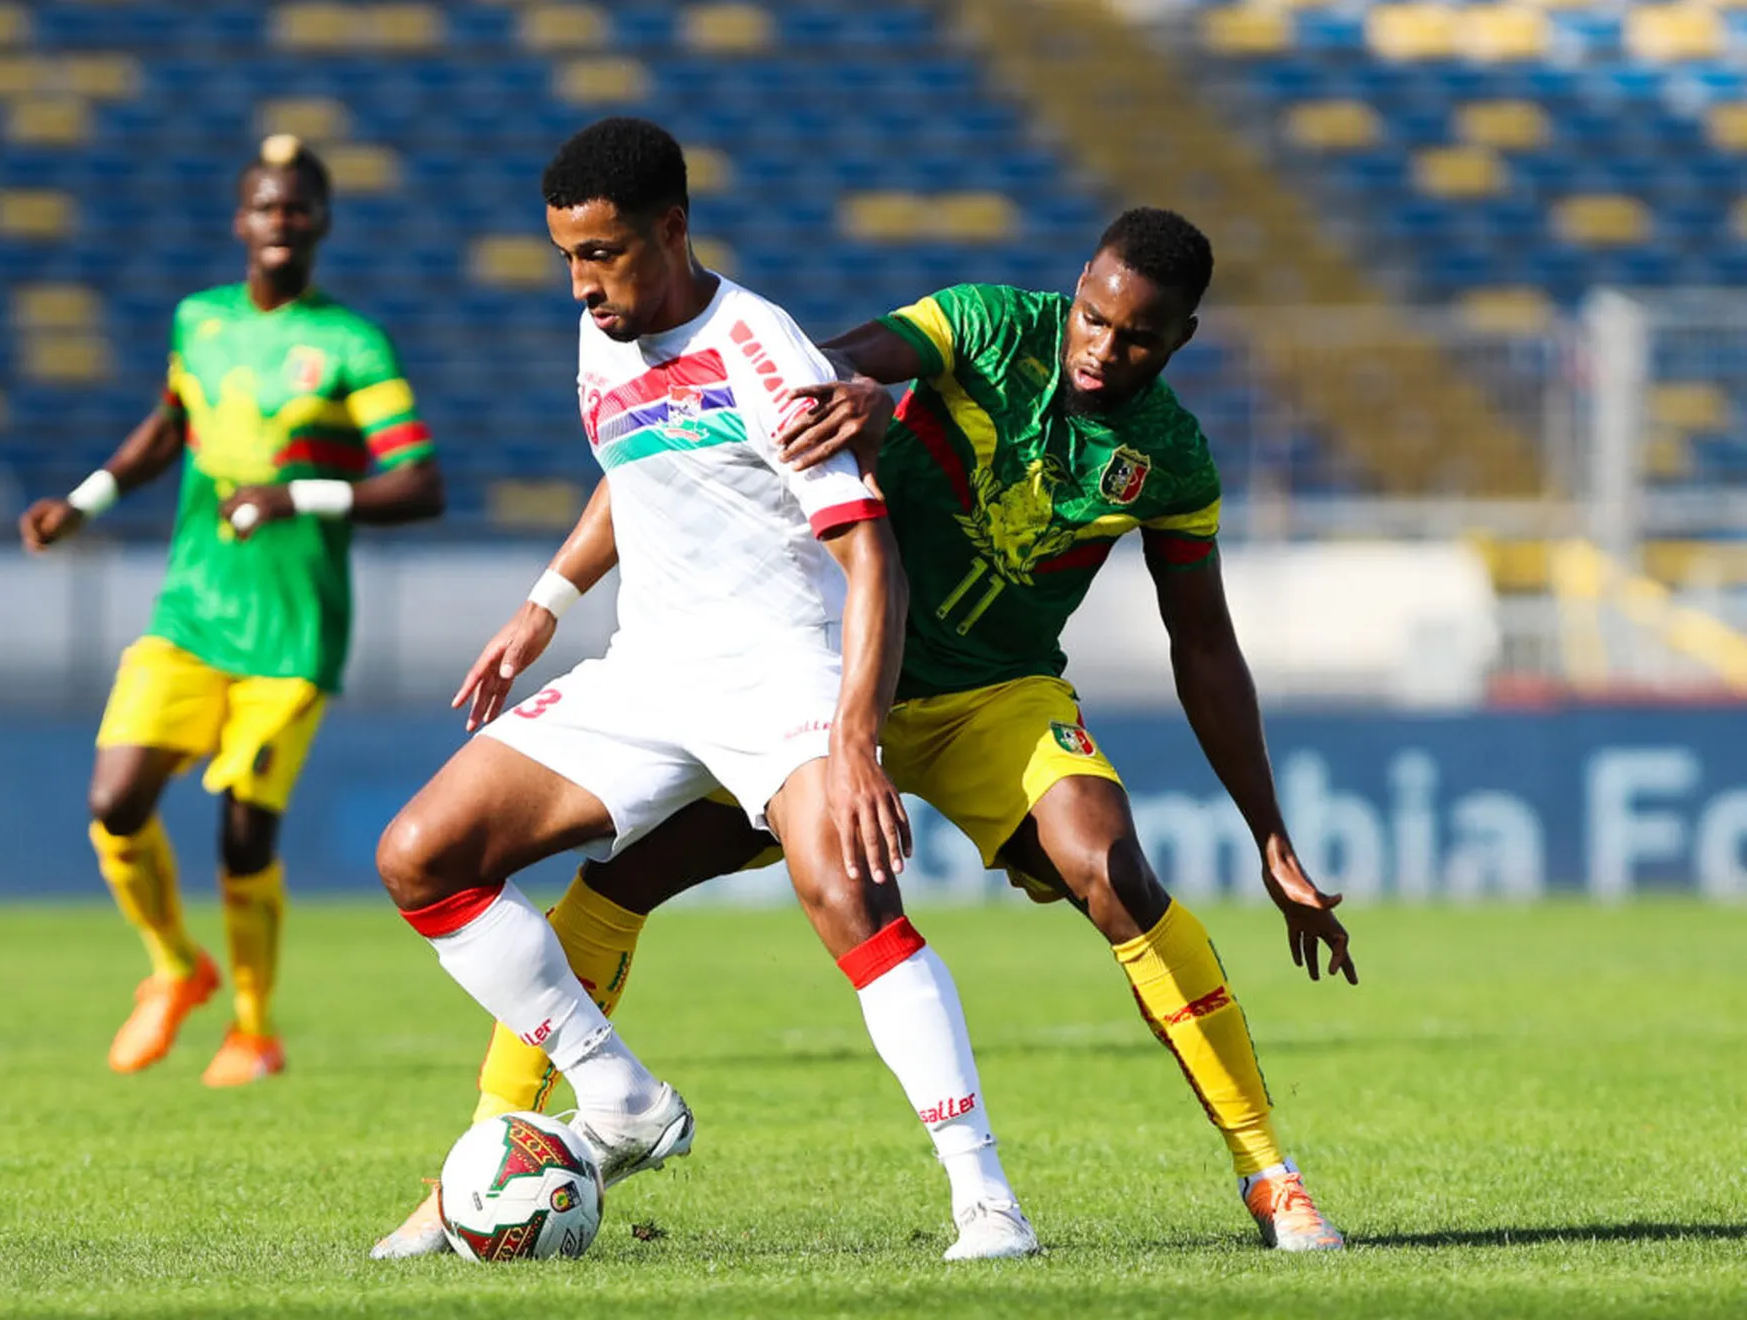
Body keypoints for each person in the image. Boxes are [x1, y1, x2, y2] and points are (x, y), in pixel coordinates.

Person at [375, 207, 1355, 1257]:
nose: (1102, 349)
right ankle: (488, 1163)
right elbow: (773, 396)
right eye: (1092, 318)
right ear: (1076, 287)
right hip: (824, 684)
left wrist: (1268, 834)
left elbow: (1203, 647)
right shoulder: (984, 325)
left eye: (1138, 339)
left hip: (991, 698)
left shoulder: (1172, 460)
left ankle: (1268, 1173)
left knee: (1113, 871)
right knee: (615, 888)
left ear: (1181, 339)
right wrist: (856, 392)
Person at [371, 117, 1037, 1262]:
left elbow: (869, 557)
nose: (581, 284)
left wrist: (853, 741)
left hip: (779, 675)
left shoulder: (764, 354)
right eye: (566, 257)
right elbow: (631, 473)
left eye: (601, 253)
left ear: (671, 229)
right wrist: (543, 603)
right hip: (648, 672)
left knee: (850, 897)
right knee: (420, 855)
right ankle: (618, 1098)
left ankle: (986, 1201)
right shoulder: (603, 335)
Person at [19, 136, 444, 1086]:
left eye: (297, 206)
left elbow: (420, 485)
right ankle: (178, 968)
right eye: (265, 206)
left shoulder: (352, 345)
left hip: (292, 631)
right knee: (114, 803)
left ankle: (254, 1031)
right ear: (240, 221)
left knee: (245, 829)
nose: (280, 220)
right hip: (193, 613)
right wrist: (82, 503)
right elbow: (169, 427)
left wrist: (297, 496)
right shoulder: (199, 321)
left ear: (321, 222)